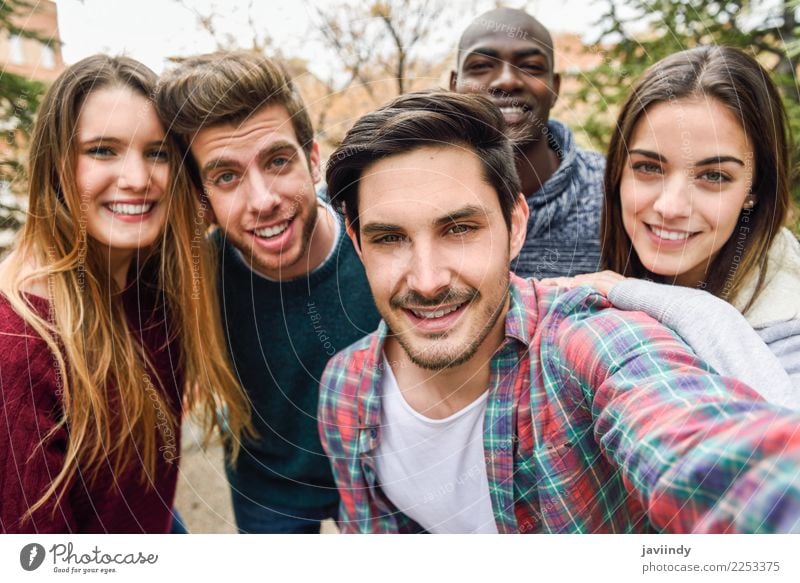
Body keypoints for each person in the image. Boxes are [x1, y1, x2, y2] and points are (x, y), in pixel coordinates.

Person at [319, 90, 800, 534]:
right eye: (390, 238)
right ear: (358, 243)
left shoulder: (593, 343)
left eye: (460, 229)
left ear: (516, 225)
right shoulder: (344, 389)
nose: (427, 281)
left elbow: (710, 453)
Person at [0, 55, 251, 533]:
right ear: (55, 164)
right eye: (102, 150)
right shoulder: (17, 344)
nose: (137, 179)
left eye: (157, 153)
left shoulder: (155, 285)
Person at [156, 51, 381, 534]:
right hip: (267, 490)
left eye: (278, 160)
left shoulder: (379, 241)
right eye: (226, 176)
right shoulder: (194, 282)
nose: (263, 200)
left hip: (380, 480)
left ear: (313, 159)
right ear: (203, 200)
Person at [544, 46, 800, 394]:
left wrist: (682, 308)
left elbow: (785, 434)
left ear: (754, 189)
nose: (671, 206)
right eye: (648, 167)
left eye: (715, 176)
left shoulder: (788, 321)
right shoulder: (589, 263)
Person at [450, 7, 604, 278]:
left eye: (531, 67)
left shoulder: (612, 190)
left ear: (555, 87)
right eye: (481, 66)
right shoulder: (418, 191)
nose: (507, 81)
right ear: (454, 86)